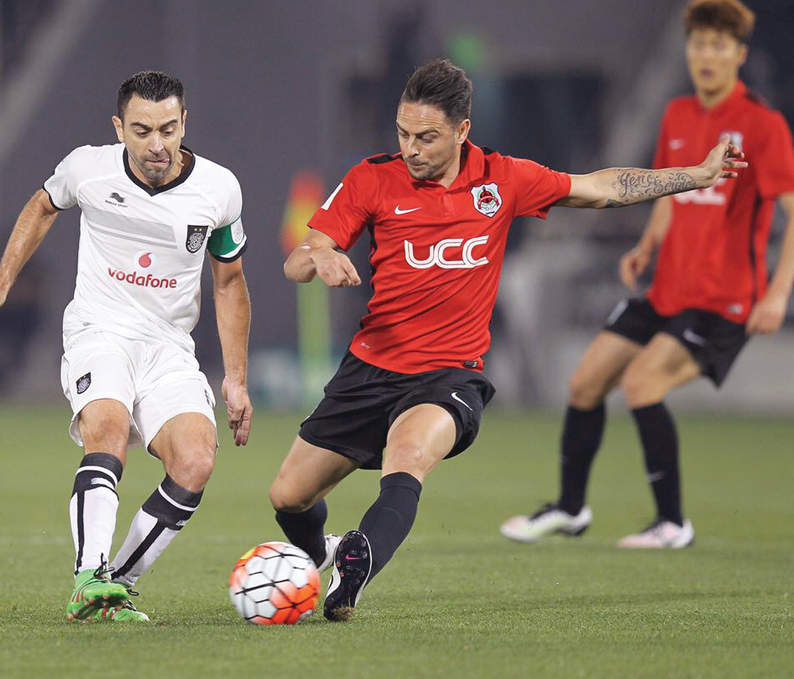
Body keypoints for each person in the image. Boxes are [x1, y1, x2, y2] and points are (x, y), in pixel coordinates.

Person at [268, 58, 745, 622]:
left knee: (410, 453)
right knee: (289, 496)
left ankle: (356, 567)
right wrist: (321, 255)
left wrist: (694, 175)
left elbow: (600, 188)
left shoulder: (503, 178)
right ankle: (318, 551)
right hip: (369, 369)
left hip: (448, 374)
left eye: (426, 137)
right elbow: (299, 259)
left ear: (462, 129)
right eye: (403, 133)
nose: (412, 148)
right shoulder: (373, 177)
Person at [502, 0, 794, 549]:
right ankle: (570, 508)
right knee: (586, 383)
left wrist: (778, 293)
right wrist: (646, 244)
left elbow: (791, 213)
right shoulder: (679, 114)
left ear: (740, 54)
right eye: (698, 44)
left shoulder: (763, 125)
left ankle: (672, 523)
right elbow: (668, 188)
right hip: (666, 290)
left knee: (642, 384)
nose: (706, 55)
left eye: (718, 45)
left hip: (723, 300)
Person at [0, 71, 253, 622]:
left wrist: (235, 377)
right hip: (100, 330)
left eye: (168, 128)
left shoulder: (220, 190)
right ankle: (89, 575)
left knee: (194, 460)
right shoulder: (88, 168)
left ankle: (114, 584)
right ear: (119, 128)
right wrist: (4, 281)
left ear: (184, 122)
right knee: (108, 430)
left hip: (170, 346)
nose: (157, 145)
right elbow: (44, 205)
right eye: (142, 130)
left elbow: (229, 281)